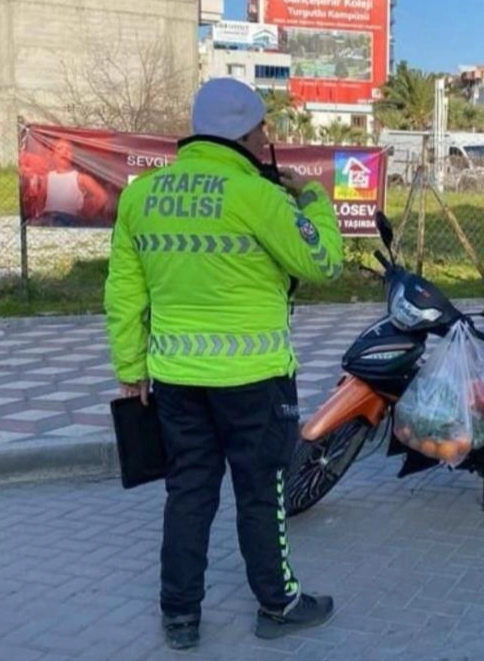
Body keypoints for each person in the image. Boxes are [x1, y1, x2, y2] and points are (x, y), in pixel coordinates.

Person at [104, 77, 345, 650]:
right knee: (261, 494)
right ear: (245, 130)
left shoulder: (144, 196)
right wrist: (313, 200)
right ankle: (278, 604)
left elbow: (124, 291)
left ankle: (180, 616)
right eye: (263, 127)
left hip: (177, 381)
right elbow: (324, 261)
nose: (268, 138)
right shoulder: (257, 197)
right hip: (255, 380)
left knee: (189, 493)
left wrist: (131, 367)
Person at [20, 139, 110, 225]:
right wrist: (39, 214)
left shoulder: (80, 177)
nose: (64, 152)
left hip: (69, 218)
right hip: (49, 217)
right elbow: (41, 201)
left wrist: (87, 214)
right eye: (60, 148)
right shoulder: (48, 177)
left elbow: (103, 196)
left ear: (74, 156)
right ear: (53, 155)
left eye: (69, 150)